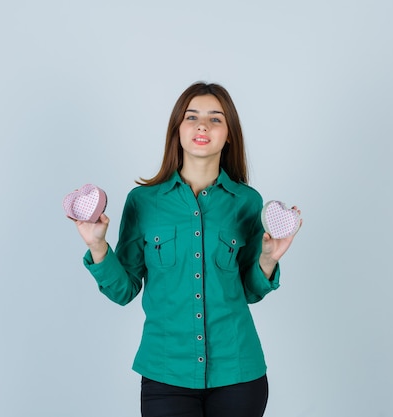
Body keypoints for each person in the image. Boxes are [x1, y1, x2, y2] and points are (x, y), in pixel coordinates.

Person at [72, 82, 301, 417]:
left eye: (215, 119)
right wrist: (97, 245)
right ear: (177, 130)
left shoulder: (247, 203)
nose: (202, 126)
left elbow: (249, 291)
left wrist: (267, 259)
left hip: (238, 372)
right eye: (191, 117)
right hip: (166, 374)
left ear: (229, 134)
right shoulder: (143, 203)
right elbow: (123, 290)